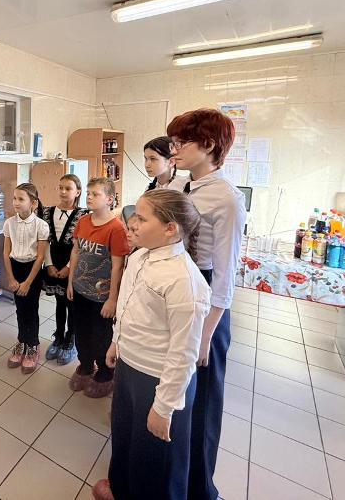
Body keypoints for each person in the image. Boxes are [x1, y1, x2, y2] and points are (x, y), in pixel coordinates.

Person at [92, 189, 210, 500]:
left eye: (142, 219)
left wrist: (164, 406)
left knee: (155, 461)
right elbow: (127, 308)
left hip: (159, 380)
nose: (132, 223)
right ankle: (121, 489)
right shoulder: (139, 256)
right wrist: (116, 343)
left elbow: (184, 353)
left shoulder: (184, 280)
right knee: (125, 439)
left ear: (170, 228)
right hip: (130, 366)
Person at [167, 108, 246, 500]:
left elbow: (226, 277)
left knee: (201, 404)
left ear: (209, 145)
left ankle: (201, 491)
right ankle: (170, 480)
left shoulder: (228, 198)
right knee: (174, 393)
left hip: (208, 307)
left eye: (181, 142)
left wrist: (206, 336)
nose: (174, 149)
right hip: (180, 293)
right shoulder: (184, 184)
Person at [66, 177, 131, 398]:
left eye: (95, 194)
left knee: (101, 335)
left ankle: (105, 372)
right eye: (88, 194)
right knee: (81, 330)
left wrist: (112, 299)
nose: (89, 197)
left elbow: (118, 267)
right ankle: (85, 365)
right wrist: (70, 282)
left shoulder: (116, 228)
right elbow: (76, 252)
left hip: (101, 296)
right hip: (79, 289)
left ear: (110, 199)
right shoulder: (83, 221)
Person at [3, 183, 50, 374]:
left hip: (33, 271)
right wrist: (11, 278)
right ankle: (22, 341)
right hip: (16, 268)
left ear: (33, 203)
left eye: (21, 199)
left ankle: (33, 345)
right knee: (20, 309)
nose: (16, 202)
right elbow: (6, 253)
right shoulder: (9, 223)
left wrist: (28, 283)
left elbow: (40, 257)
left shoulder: (41, 225)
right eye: (14, 198)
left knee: (31, 309)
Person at [42, 174, 86, 365]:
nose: (63, 192)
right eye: (60, 187)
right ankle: (59, 335)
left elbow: (81, 245)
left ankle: (71, 339)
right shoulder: (47, 212)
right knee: (59, 303)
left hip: (72, 266)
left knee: (72, 305)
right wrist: (49, 264)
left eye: (68, 188)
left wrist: (69, 267)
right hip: (53, 263)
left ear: (78, 192)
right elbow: (45, 241)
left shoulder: (83, 215)